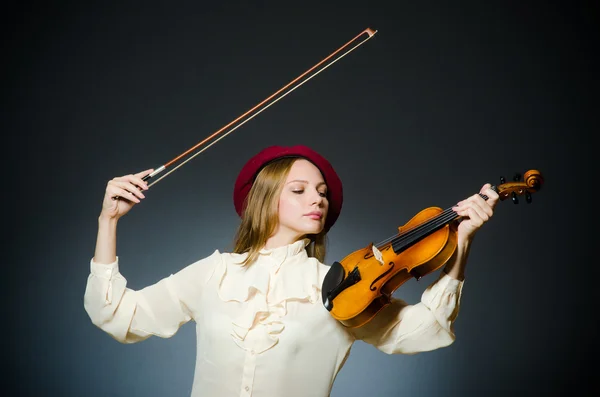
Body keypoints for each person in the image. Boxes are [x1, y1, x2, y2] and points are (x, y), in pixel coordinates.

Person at [84, 144, 499, 397]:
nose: (316, 199)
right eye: (298, 191)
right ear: (264, 200)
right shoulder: (213, 274)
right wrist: (108, 221)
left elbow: (425, 331)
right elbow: (117, 315)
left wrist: (460, 245)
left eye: (321, 193)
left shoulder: (339, 286)